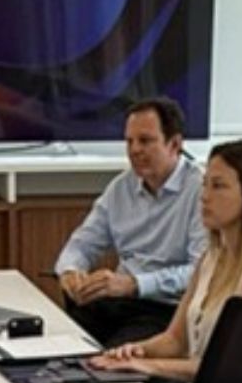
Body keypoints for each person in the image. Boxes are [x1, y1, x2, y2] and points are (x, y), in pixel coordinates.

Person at [89, 139, 242, 383]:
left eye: (218, 186)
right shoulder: (211, 256)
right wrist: (132, 352)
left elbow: (238, 367)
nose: (204, 197)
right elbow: (176, 341)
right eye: (205, 184)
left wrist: (148, 365)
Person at [54, 98, 208, 347]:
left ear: (175, 144)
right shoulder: (121, 187)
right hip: (118, 303)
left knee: (109, 360)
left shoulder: (202, 191)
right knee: (57, 342)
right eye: (129, 141)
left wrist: (135, 284)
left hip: (168, 310)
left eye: (145, 141)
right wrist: (71, 271)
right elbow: (83, 243)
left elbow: (200, 272)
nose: (134, 150)